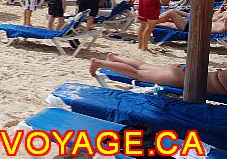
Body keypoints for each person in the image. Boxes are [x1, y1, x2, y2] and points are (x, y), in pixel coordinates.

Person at [90, 53, 227, 95]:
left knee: (143, 66)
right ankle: (100, 63)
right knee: (138, 74)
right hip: (183, 79)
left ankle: (116, 58)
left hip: (188, 72)